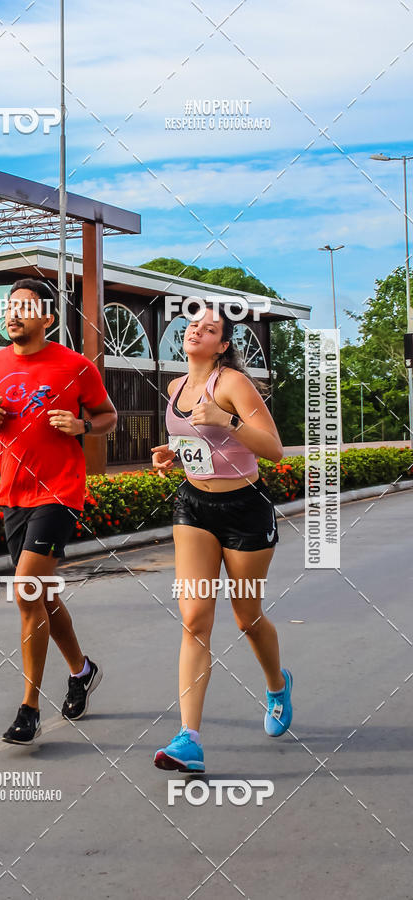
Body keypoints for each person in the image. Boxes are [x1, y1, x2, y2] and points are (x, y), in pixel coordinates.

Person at [0, 278, 117, 744]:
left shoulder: (75, 366)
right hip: (14, 495)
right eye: (9, 307)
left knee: (26, 591)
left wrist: (82, 425)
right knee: (44, 596)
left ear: (48, 317)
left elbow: (108, 417)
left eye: (25, 307)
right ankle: (82, 670)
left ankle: (29, 708)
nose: (13, 314)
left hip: (60, 492)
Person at [151, 303, 292, 772]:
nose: (197, 330)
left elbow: (273, 449)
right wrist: (173, 454)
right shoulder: (175, 387)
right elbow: (199, 443)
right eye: (193, 324)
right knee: (194, 618)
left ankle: (277, 686)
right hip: (193, 507)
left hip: (244, 510)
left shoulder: (232, 384)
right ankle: (188, 739)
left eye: (209, 328)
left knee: (246, 617)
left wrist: (226, 420)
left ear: (222, 345)